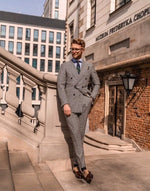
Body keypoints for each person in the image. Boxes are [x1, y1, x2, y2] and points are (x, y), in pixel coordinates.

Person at [57, 38, 100, 184]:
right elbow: (60, 86)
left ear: (83, 50)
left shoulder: (89, 66)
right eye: (72, 49)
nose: (73, 51)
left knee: (79, 136)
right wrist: (65, 104)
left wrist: (91, 98)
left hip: (84, 105)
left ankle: (75, 165)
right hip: (70, 106)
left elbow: (97, 83)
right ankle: (83, 167)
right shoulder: (65, 66)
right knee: (76, 135)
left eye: (76, 49)